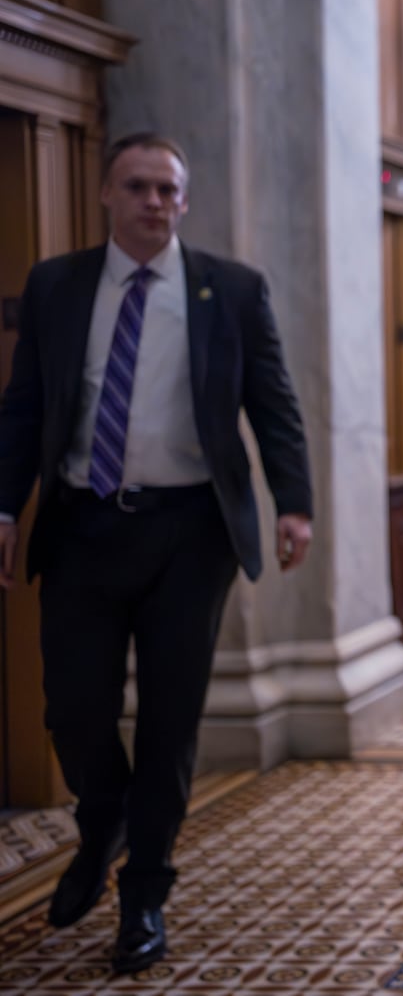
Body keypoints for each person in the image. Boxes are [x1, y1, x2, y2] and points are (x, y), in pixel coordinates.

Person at [0, 132, 313, 973]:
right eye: (137, 187)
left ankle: (144, 893)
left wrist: (295, 505)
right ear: (107, 194)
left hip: (189, 533)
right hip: (82, 527)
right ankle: (100, 818)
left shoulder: (231, 290)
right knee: (72, 708)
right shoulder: (59, 287)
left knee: (172, 720)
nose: (153, 202)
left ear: (184, 199)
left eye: (168, 190)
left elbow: (273, 403)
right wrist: (4, 502)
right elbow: (24, 407)